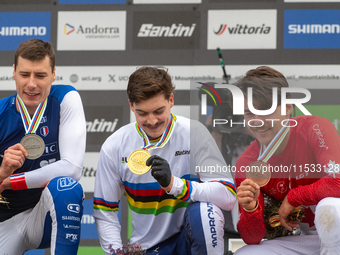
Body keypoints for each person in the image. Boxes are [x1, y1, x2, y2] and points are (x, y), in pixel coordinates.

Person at [93, 66, 236, 255]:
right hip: (148, 248)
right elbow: (105, 211)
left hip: (189, 241)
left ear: (171, 100)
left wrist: (175, 185)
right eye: (142, 113)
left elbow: (227, 195)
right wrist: (116, 253)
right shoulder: (115, 146)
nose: (152, 121)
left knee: (205, 212)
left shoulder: (195, 133)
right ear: (131, 106)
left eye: (159, 111)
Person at [234, 66, 340, 254]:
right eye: (249, 113)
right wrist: (251, 210)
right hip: (307, 239)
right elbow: (252, 238)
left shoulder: (316, 128)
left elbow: (338, 182)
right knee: (247, 253)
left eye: (265, 110)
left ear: (288, 108)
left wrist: (293, 197)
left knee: (330, 207)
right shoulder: (247, 163)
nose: (257, 121)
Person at [0, 39, 86, 254]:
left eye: (40, 75)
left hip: (44, 216)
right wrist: (2, 172)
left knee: (66, 187)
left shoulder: (66, 98)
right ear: (13, 72)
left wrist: (9, 181)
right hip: (5, 221)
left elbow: (72, 168)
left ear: (54, 74)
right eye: (24, 74)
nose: (31, 84)